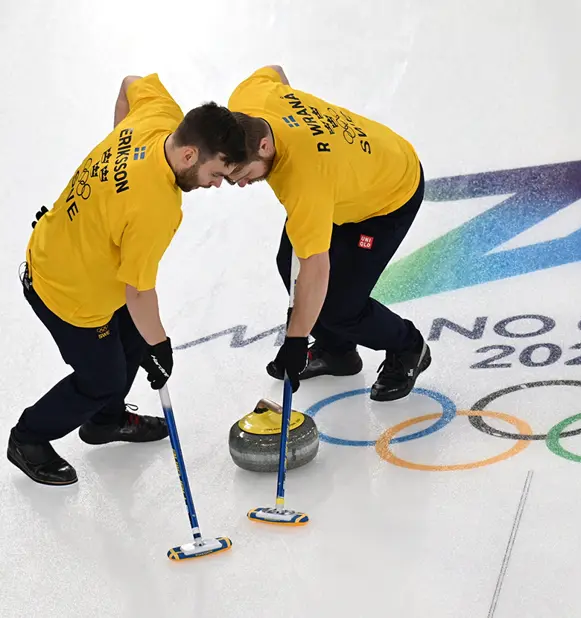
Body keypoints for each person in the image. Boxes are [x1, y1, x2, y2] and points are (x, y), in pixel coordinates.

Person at [8, 74, 248, 486]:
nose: (215, 185)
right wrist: (162, 346)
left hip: (74, 251)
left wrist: (118, 166)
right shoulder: (155, 206)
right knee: (102, 380)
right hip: (66, 290)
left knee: (133, 340)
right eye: (216, 174)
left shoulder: (159, 116)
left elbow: (130, 83)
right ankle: (28, 438)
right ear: (189, 154)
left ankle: (106, 421)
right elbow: (138, 292)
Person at [225, 65, 430, 401]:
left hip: (387, 196)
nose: (242, 183)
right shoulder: (249, 98)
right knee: (287, 263)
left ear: (264, 145)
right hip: (340, 183)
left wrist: (295, 341)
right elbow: (274, 71)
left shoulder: (304, 182)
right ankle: (337, 351)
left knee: (339, 306)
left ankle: (408, 346)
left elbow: (315, 270)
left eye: (243, 173)